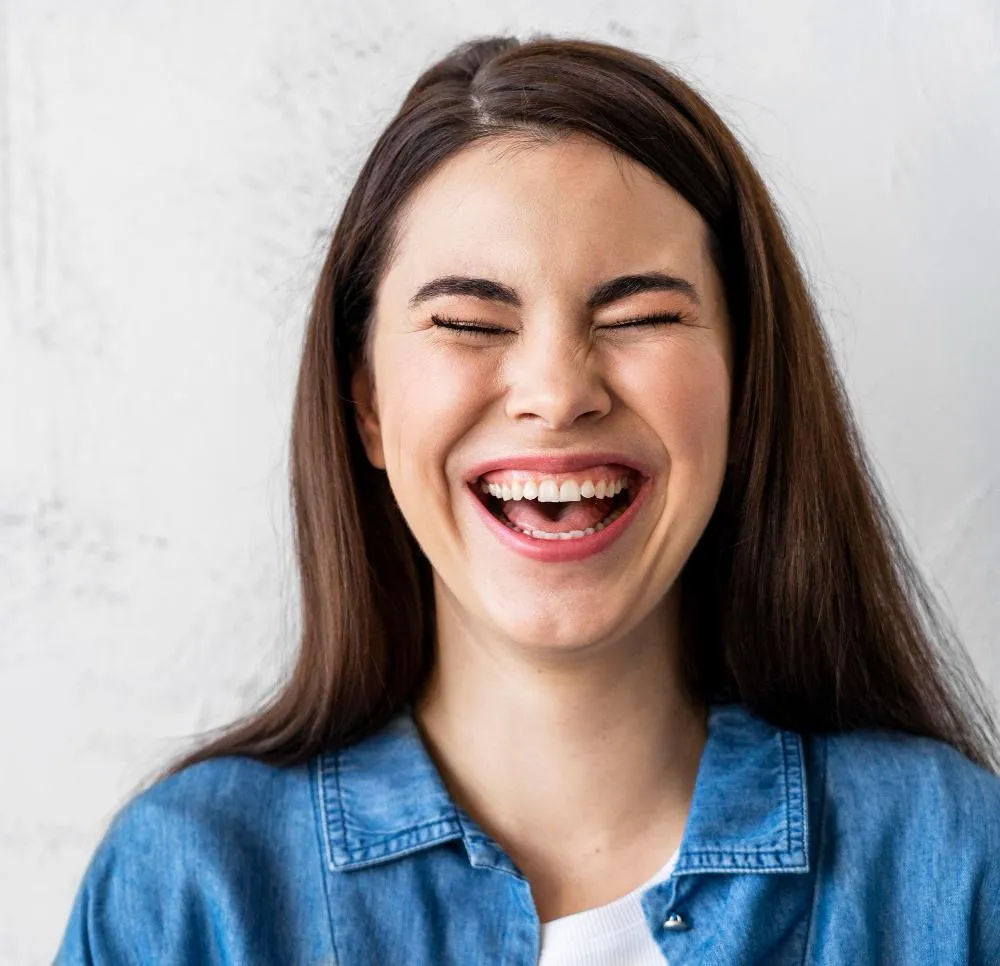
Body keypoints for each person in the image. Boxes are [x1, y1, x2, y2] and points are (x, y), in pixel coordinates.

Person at [55, 35, 1000, 965]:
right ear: (367, 405)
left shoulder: (952, 864)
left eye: (641, 317)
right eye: (468, 322)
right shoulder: (188, 893)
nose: (556, 391)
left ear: (746, 383)